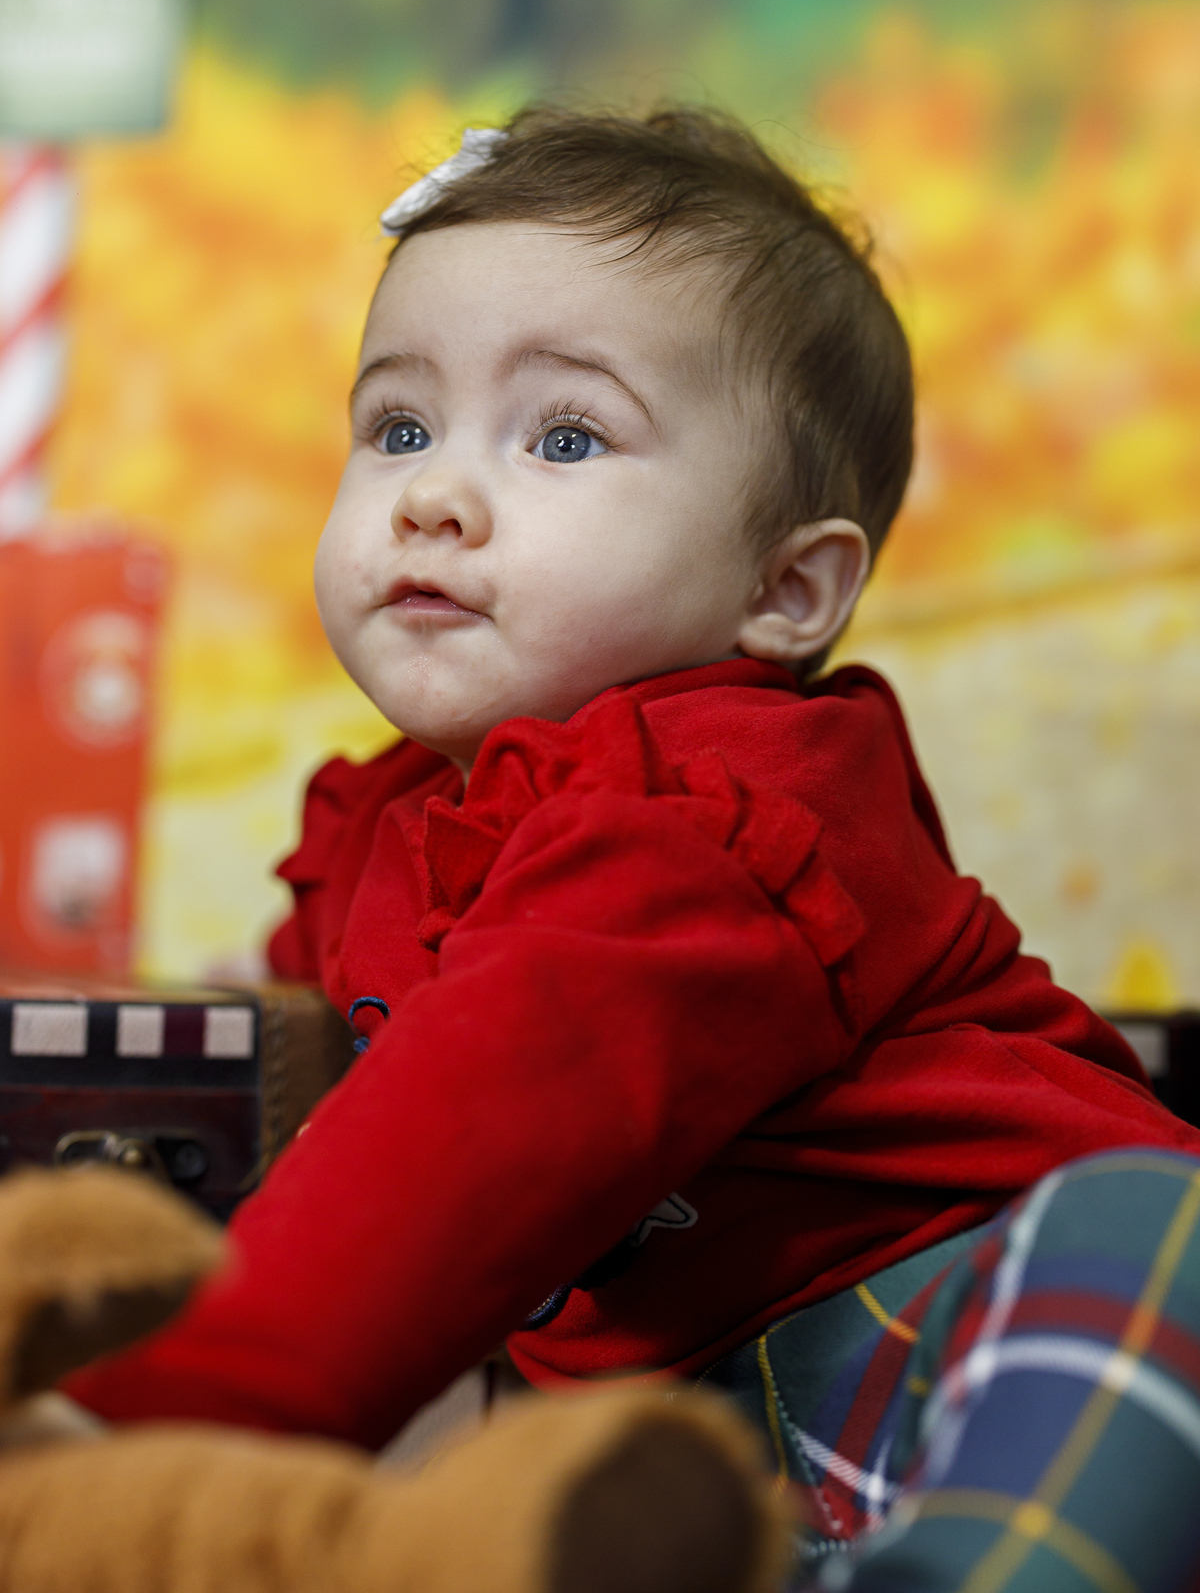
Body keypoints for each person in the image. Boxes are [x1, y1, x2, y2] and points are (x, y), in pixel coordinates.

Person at [69, 109, 1200, 1588]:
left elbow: (456, 1142)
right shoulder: (385, 828)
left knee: (1153, 1233)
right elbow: (354, 1039)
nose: (433, 493)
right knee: (560, 1508)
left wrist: (147, 1431)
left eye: (565, 435)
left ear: (786, 589)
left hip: (957, 1318)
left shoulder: (716, 816)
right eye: (398, 426)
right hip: (720, 1424)